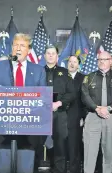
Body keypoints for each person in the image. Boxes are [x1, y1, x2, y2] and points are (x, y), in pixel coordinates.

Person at [0, 33, 47, 173]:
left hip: (29, 128)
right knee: (2, 168)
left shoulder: (38, 71)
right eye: (16, 45)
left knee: (25, 168)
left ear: (29, 50)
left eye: (22, 45)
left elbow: (43, 99)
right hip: (1, 127)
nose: (18, 48)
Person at [81, 51, 112, 173]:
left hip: (111, 117)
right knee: (89, 152)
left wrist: (108, 108)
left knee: (109, 151)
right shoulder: (89, 77)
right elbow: (84, 95)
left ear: (110, 61)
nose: (102, 61)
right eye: (99, 59)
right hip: (92, 116)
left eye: (105, 59)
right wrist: (96, 108)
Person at [43, 45, 75, 173]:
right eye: (48, 53)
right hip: (40, 114)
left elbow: (72, 93)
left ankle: (59, 170)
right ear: (44, 56)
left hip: (60, 114)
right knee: (38, 143)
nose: (50, 55)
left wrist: (59, 103)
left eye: (53, 53)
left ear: (57, 56)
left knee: (60, 145)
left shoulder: (65, 72)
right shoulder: (38, 71)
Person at [67, 55, 86, 173]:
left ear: (78, 64)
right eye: (70, 61)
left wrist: (83, 117)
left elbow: (85, 99)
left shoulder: (84, 78)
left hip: (76, 116)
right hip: (62, 116)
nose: (72, 64)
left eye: (74, 62)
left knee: (75, 146)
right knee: (61, 146)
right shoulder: (62, 76)